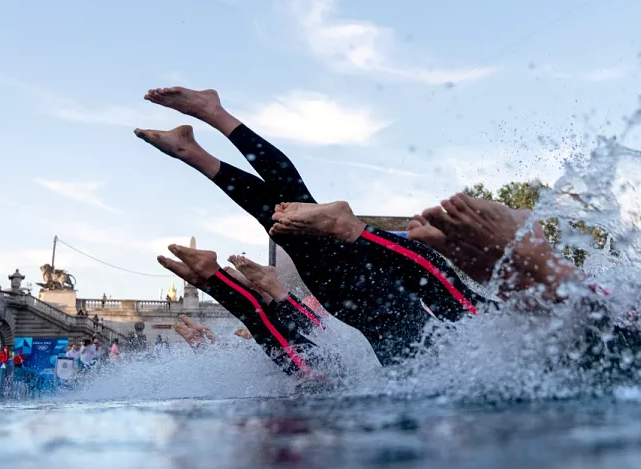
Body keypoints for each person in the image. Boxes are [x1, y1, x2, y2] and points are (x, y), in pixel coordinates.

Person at [137, 86, 492, 364]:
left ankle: (196, 146)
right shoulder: (500, 346)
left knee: (298, 230)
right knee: (460, 314)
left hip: (381, 330)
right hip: (418, 333)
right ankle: (208, 125)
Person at [157, 243, 321, 375]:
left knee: (261, 324)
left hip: (313, 354)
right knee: (263, 322)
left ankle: (208, 281)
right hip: (321, 356)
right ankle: (221, 277)